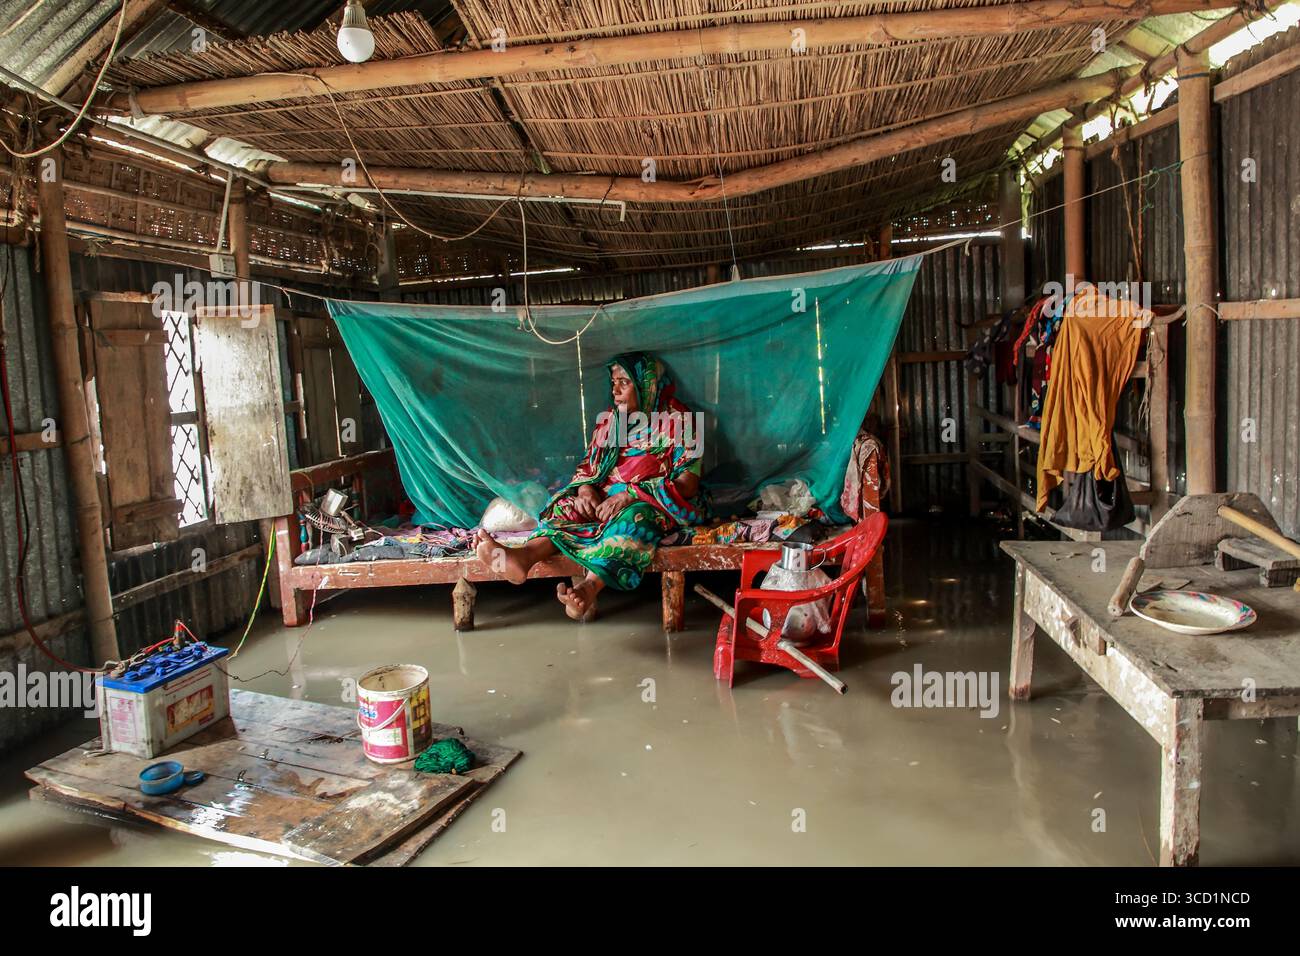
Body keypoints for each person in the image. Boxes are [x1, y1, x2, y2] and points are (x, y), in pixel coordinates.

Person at [475, 351, 709, 620]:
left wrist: (629, 496)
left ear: (647, 385)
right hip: (605, 497)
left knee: (635, 521)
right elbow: (589, 467)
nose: (615, 391)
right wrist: (586, 491)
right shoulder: (612, 420)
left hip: (651, 500)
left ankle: (588, 588)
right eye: (613, 383)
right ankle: (523, 558)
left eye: (624, 382)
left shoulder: (682, 421)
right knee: (565, 508)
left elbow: (687, 484)